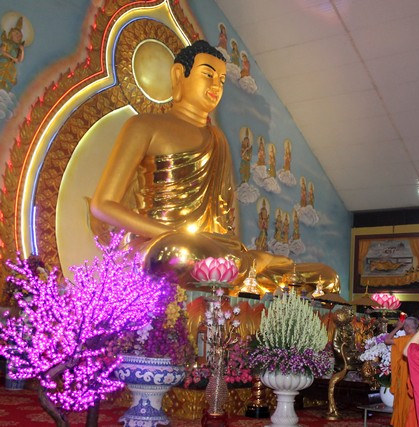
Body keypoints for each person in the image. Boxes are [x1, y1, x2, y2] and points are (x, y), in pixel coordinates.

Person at [90, 40, 338, 291]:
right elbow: (102, 205)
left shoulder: (218, 139)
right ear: (178, 75)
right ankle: (245, 266)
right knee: (178, 253)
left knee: (325, 278)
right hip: (162, 246)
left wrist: (232, 251)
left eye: (221, 80)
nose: (216, 86)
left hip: (215, 251)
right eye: (208, 75)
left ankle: (244, 266)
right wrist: (172, 233)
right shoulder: (144, 126)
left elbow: (223, 221)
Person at [384, 317, 419, 427]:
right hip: (418, 377)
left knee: (403, 401)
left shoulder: (404, 339)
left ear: (407, 327)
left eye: (404, 327)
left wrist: (397, 327)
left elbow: (387, 340)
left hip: (405, 376)